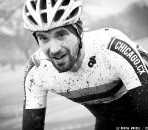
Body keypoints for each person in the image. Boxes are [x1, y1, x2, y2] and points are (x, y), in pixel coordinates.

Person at [22, 0, 148, 130]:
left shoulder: (111, 48)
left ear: (79, 30)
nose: (54, 49)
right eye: (43, 38)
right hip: (107, 122)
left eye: (60, 34)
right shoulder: (36, 70)